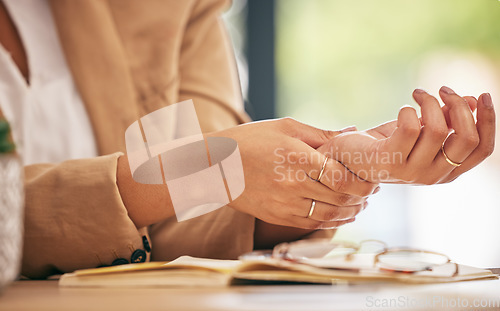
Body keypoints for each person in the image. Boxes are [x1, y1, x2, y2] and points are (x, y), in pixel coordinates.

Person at [0, 0, 494, 280]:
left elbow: (184, 218)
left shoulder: (175, 13)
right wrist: (208, 167)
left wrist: (336, 169)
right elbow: (212, 174)